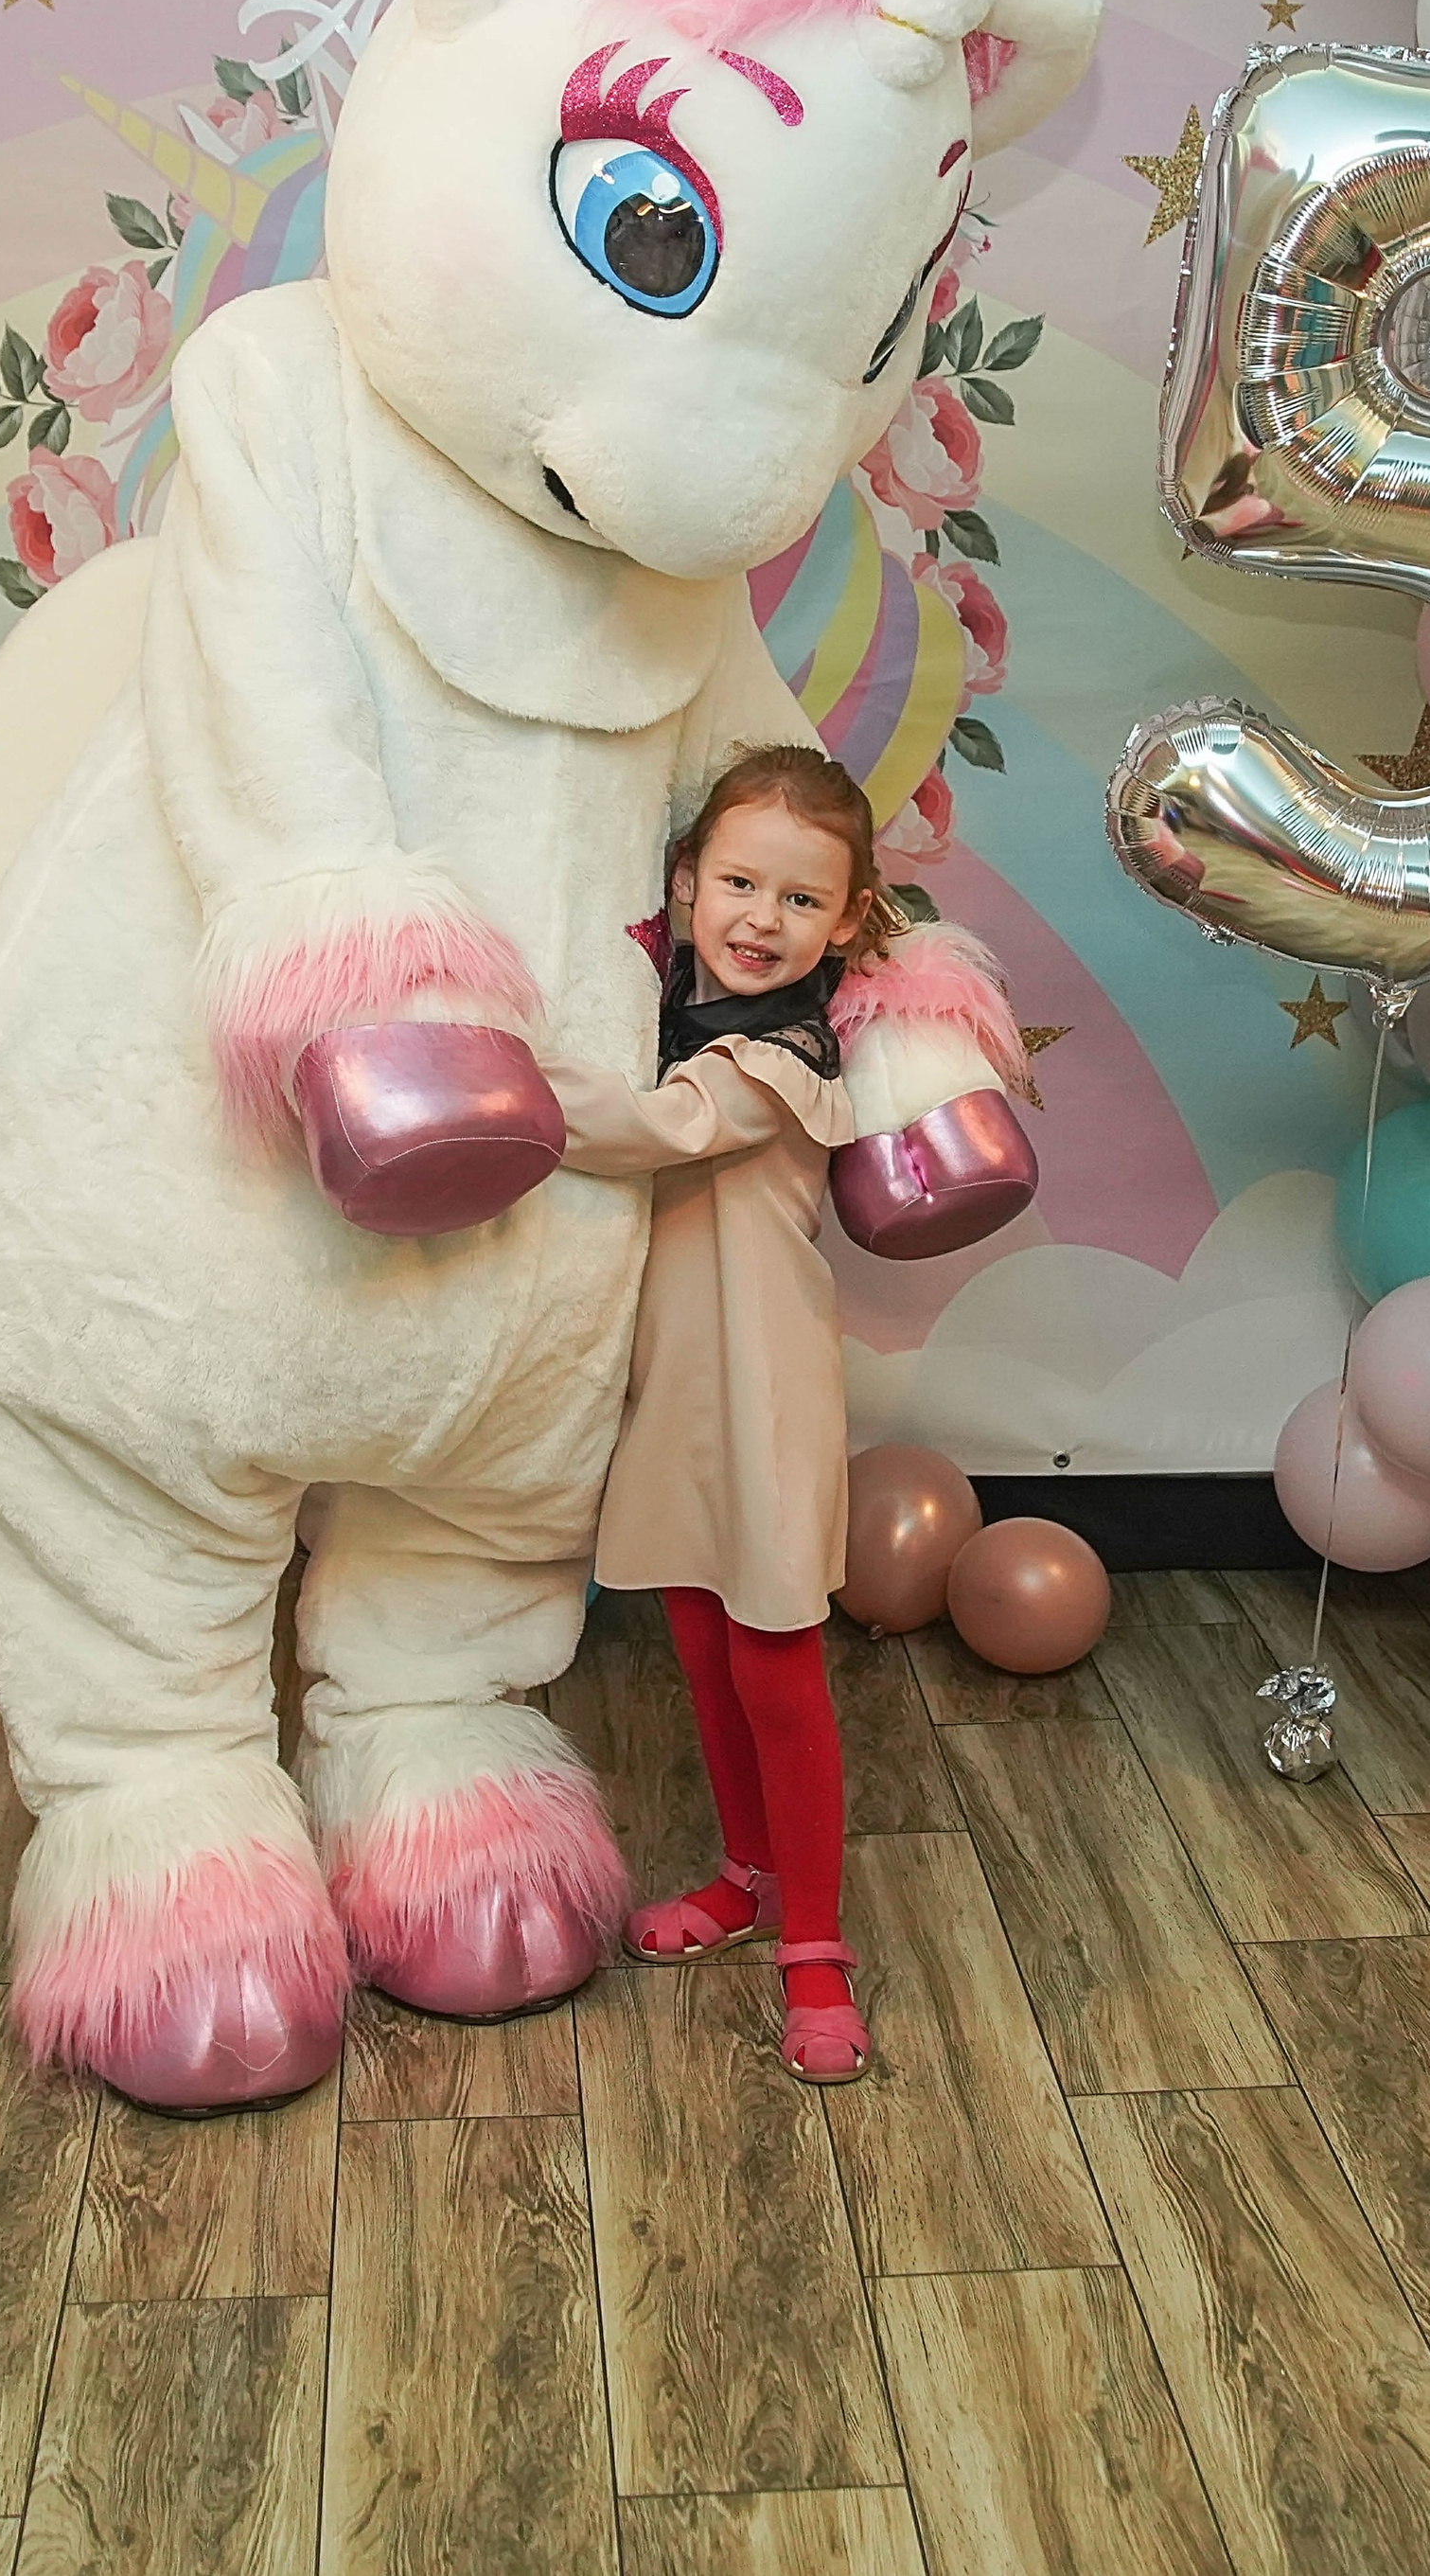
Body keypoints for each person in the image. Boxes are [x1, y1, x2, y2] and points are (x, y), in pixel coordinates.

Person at [542, 741, 897, 2084]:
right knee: (699, 1644)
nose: (763, 918)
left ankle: (815, 1944)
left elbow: (639, 1130)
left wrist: (490, 1064)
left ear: (848, 919)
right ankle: (746, 1874)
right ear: (686, 883)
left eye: (802, 899)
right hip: (672, 1395)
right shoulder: (667, 1009)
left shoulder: (782, 1060)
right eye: (740, 882)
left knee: (777, 1668)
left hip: (764, 1393)